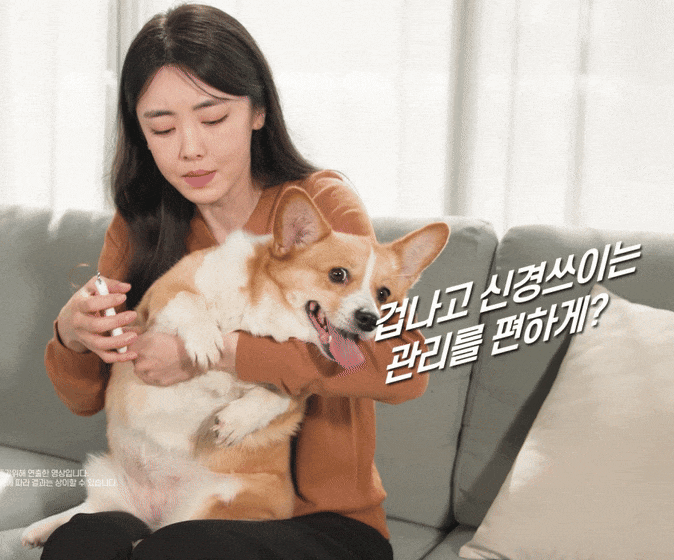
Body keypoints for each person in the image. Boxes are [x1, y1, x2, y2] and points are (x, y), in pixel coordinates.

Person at [42, 4, 428, 560]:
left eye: (213, 118)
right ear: (141, 134)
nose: (189, 148)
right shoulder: (142, 224)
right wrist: (72, 336)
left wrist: (222, 353)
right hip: (173, 493)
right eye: (162, 127)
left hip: (324, 523)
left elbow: (403, 368)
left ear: (258, 111)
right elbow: (85, 398)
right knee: (81, 543)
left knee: (179, 551)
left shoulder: (319, 208)